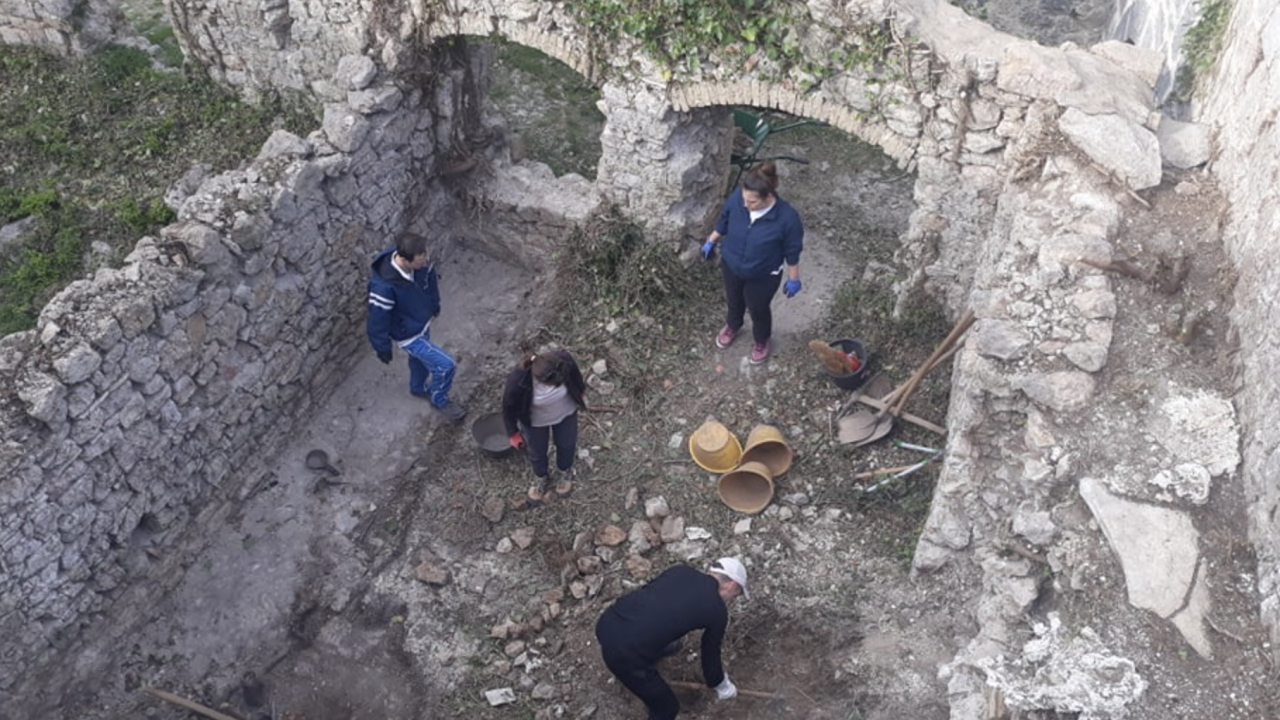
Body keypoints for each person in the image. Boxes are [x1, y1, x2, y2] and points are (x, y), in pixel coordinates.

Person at [595, 557, 750, 719]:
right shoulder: (717, 611)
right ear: (731, 585)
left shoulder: (680, 571)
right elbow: (710, 655)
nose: (732, 599)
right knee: (667, 709)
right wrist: (722, 686)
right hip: (624, 655)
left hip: (608, 622)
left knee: (673, 644)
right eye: (736, 594)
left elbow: (649, 595)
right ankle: (633, 674)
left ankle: (636, 667)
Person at [701, 160, 804, 364]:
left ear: (768, 196)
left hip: (763, 274)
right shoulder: (738, 199)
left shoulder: (787, 218)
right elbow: (724, 221)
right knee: (734, 299)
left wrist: (794, 278)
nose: (745, 205)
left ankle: (761, 340)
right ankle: (733, 325)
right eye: (744, 199)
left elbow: (792, 250)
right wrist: (711, 240)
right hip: (731, 263)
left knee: (757, 307)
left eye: (752, 202)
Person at [366, 231, 466, 421]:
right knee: (446, 366)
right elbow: (377, 319)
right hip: (408, 335)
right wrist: (382, 347)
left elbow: (430, 282)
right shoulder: (383, 288)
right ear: (404, 260)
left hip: (421, 322)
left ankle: (418, 387)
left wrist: (434, 305)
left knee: (419, 360)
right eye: (420, 261)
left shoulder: (420, 262)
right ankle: (440, 400)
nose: (426, 262)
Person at [502, 349, 587, 505]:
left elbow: (575, 375)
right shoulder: (518, 379)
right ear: (540, 379)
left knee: (567, 445)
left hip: (566, 412)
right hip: (535, 421)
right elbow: (508, 406)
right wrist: (513, 433)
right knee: (536, 451)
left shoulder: (563, 360)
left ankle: (564, 471)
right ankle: (541, 477)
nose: (557, 385)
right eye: (554, 383)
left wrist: (580, 392)